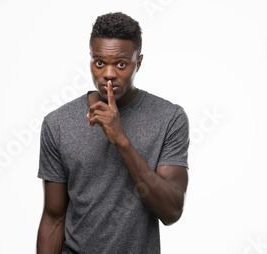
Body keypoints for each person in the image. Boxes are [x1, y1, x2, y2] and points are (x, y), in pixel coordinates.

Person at [36, 12, 189, 253]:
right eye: (99, 63)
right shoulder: (57, 124)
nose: (108, 74)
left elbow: (171, 212)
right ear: (90, 61)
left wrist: (121, 140)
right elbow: (53, 217)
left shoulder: (169, 118)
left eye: (120, 64)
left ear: (138, 62)